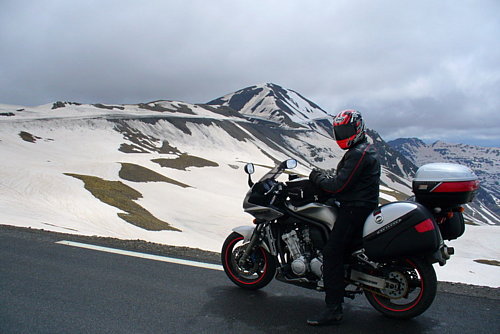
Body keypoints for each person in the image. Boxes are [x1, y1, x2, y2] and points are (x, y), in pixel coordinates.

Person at [307, 109, 381, 326]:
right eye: (340, 130)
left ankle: (333, 309)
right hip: (358, 205)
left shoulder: (359, 153)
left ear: (358, 128)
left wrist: (317, 177)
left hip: (354, 209)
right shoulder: (363, 148)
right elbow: (347, 179)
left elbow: (339, 185)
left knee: (331, 253)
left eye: (346, 129)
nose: (342, 134)